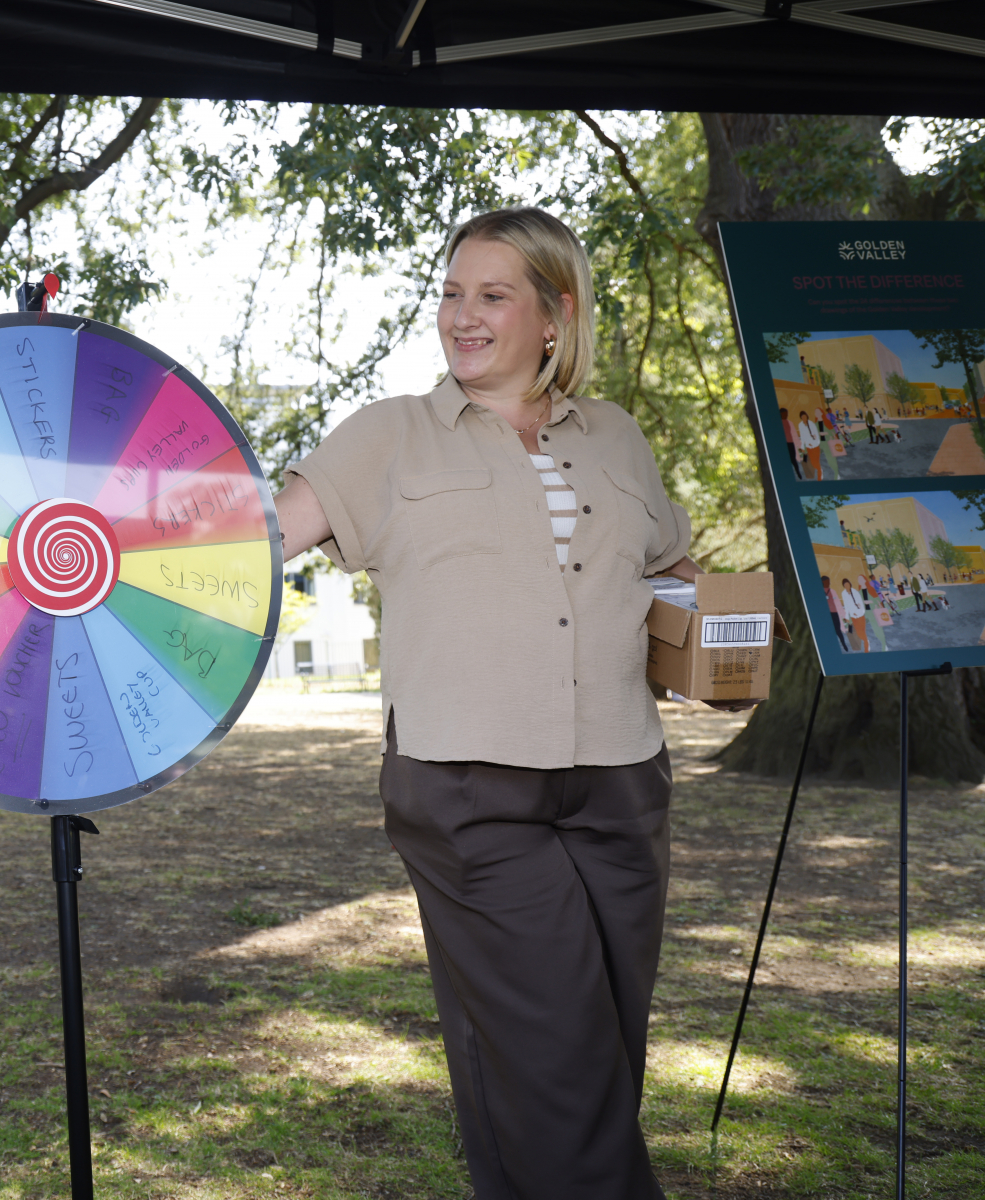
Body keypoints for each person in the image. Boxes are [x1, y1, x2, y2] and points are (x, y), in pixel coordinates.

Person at [273, 207, 756, 1200]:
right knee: (561, 1067)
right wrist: (115, 535)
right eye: (452, 293)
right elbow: (256, 540)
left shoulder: (615, 436)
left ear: (555, 313)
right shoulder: (390, 434)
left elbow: (671, 571)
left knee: (596, 1056)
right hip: (469, 791)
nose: (463, 315)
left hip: (623, 783)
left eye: (493, 295)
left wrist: (738, 639)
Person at [821, 574, 849, 651]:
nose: (829, 583)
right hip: (825, 615)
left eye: (829, 582)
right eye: (827, 582)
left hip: (834, 613)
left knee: (838, 631)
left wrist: (843, 615)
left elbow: (838, 603)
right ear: (823, 582)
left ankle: (844, 644)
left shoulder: (833, 591)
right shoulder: (820, 592)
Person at [841, 577, 870, 651]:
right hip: (853, 617)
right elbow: (846, 606)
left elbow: (860, 604)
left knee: (862, 631)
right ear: (843, 586)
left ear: (850, 584)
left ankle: (866, 646)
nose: (847, 586)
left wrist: (859, 612)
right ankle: (866, 641)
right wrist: (847, 617)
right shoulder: (843, 593)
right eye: (845, 585)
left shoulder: (855, 592)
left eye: (848, 584)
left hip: (860, 615)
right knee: (859, 632)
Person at [797, 410, 822, 479]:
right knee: (813, 462)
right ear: (801, 418)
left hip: (815, 446)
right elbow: (802, 437)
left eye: (805, 416)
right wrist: (802, 447)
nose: (804, 418)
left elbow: (816, 435)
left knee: (816, 461)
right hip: (808, 447)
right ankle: (819, 470)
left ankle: (819, 475)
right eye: (802, 417)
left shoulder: (811, 424)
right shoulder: (800, 425)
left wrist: (815, 443)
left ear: (807, 416)